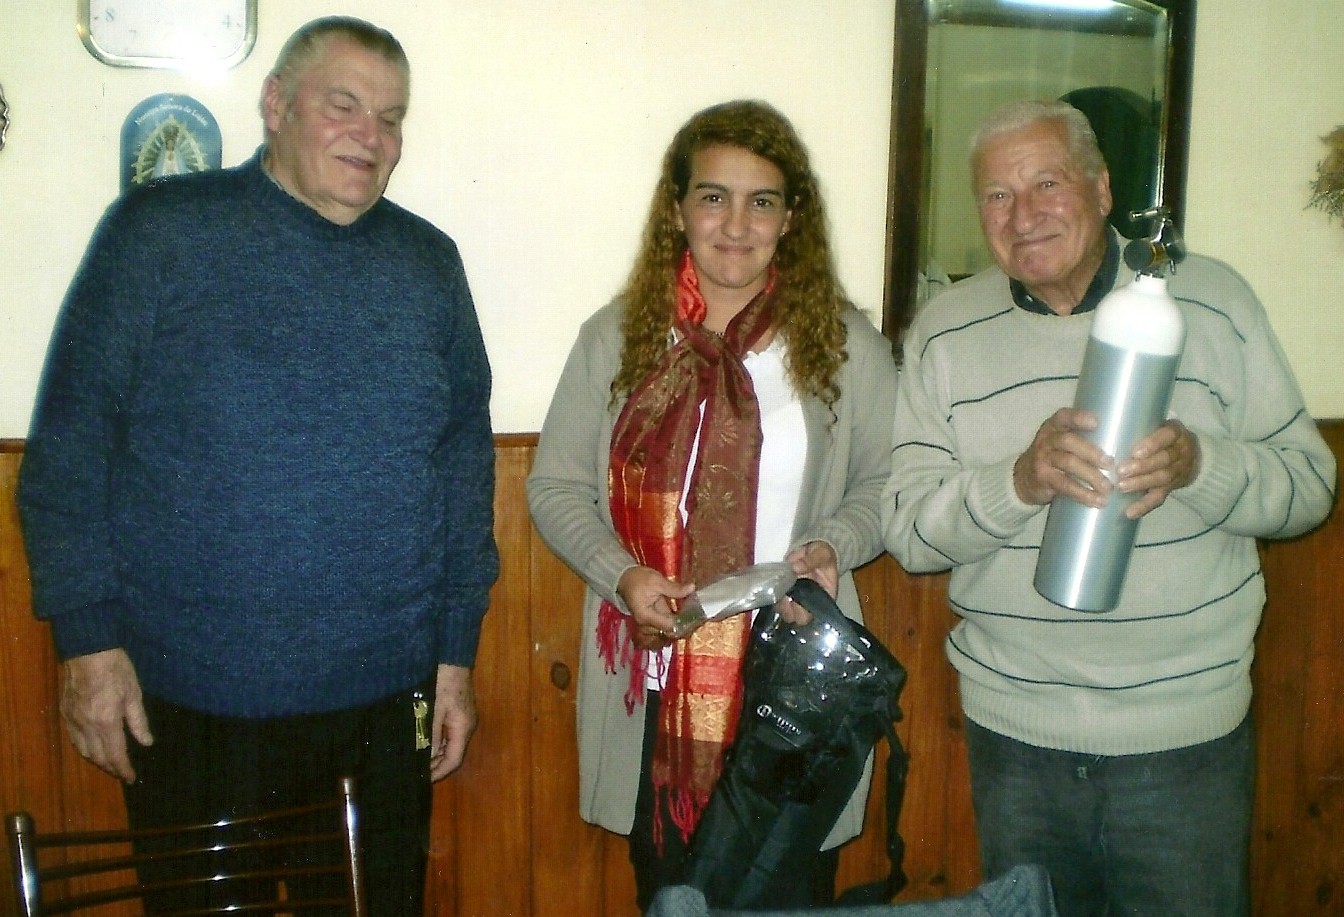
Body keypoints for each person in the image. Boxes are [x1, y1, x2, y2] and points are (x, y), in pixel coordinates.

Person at [18, 16, 497, 915]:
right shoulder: (158, 235)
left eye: (391, 117)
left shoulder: (430, 263)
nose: (372, 135)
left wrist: (456, 655)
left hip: (384, 706)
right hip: (197, 705)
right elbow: (69, 448)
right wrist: (87, 641)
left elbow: (464, 466)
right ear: (276, 105)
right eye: (343, 104)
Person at [882, 99, 1336, 916]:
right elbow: (909, 532)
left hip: (1186, 737)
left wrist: (1203, 464)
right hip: (1016, 738)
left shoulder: (1212, 301)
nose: (1022, 214)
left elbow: (1308, 485)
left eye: (1046, 182)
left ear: (1099, 187)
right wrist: (1017, 481)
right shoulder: (944, 334)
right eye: (996, 195)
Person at [527, 99, 898, 911]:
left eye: (762, 200)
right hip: (656, 684)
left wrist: (834, 542)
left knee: (790, 888)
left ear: (791, 219)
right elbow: (553, 486)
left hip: (792, 684)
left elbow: (885, 481)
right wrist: (621, 575)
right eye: (713, 196)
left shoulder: (843, 347)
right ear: (677, 210)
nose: (736, 223)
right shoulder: (617, 337)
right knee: (671, 896)